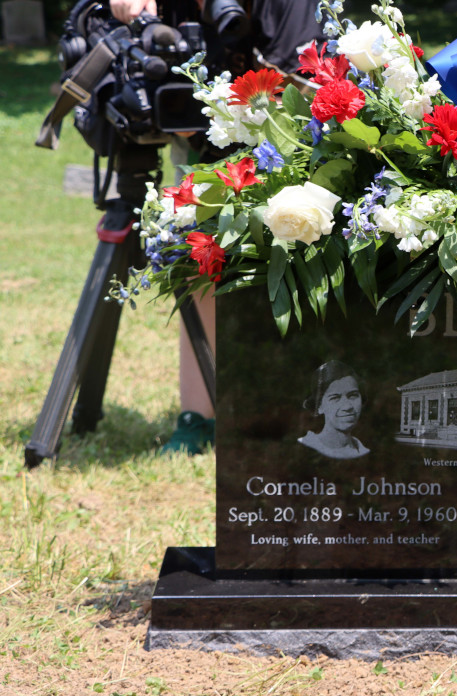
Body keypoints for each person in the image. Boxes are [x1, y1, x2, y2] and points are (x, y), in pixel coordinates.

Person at [107, 0, 325, 454]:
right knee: (200, 263)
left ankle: (286, 404)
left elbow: (302, 82)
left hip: (285, 145)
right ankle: (197, 415)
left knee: (288, 265)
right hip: (197, 148)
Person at [298, 361, 370, 459]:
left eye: (353, 395)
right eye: (335, 398)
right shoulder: (305, 449)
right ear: (319, 406)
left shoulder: (363, 451)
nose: (347, 407)